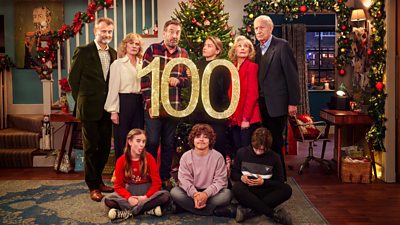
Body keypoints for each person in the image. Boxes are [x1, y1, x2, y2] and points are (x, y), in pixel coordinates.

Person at [68, 17, 117, 202]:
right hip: (89, 108)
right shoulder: (83, 51)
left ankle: (100, 181)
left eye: (109, 32)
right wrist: (81, 100)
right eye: (103, 31)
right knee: (90, 148)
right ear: (96, 31)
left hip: (107, 108)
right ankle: (93, 186)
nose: (106, 35)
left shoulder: (113, 53)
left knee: (104, 147)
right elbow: (74, 80)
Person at [140, 19, 189, 187]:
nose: (174, 35)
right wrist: (149, 102)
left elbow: (189, 78)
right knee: (152, 141)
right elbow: (144, 78)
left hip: (173, 106)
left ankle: (165, 177)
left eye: (177, 33)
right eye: (171, 31)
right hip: (154, 105)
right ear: (164, 33)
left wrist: (179, 80)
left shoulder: (183, 54)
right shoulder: (153, 50)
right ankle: (151, 176)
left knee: (169, 143)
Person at [253, 15, 301, 180]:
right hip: (260, 104)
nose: (258, 31)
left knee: (275, 142)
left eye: (262, 27)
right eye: (256, 28)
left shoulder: (282, 46)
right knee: (263, 141)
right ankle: (267, 175)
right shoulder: (256, 49)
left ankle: (280, 178)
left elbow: (292, 76)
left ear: (270, 28)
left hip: (278, 104)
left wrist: (293, 102)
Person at [104, 129, 171, 221]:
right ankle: (146, 210)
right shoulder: (121, 160)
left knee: (165, 196)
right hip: (129, 191)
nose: (141, 145)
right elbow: (118, 185)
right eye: (138, 141)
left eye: (143, 142)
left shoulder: (149, 158)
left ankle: (127, 213)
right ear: (130, 141)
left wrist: (145, 197)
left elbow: (157, 183)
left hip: (146, 191)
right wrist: (129, 198)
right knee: (108, 200)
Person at [231, 127, 293, 224]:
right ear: (252, 143)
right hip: (248, 190)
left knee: (287, 189)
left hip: (265, 190)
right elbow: (233, 174)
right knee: (236, 188)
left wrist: (264, 182)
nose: (259, 152)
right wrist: (241, 178)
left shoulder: (275, 157)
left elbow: (280, 182)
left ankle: (249, 211)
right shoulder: (241, 153)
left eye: (262, 150)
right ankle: (272, 214)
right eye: (256, 149)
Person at [170, 124, 233, 216]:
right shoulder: (186, 156)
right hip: (192, 193)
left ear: (210, 140)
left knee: (227, 194)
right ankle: (211, 211)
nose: (201, 139)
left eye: (205, 137)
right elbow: (184, 180)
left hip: (212, 194)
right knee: (175, 192)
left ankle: (187, 208)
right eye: (198, 136)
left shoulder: (218, 157)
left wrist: (206, 194)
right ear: (193, 139)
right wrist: (195, 194)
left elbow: (220, 181)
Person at [104, 33, 144, 161]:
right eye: (131, 43)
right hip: (123, 103)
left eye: (137, 44)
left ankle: (135, 171)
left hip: (139, 103)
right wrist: (113, 111)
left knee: (137, 138)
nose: (134, 46)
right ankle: (121, 173)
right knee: (122, 139)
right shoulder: (118, 64)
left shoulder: (143, 64)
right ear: (125, 45)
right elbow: (113, 89)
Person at [191, 36, 231, 157]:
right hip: (198, 112)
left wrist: (224, 110)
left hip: (216, 113)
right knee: (198, 146)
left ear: (217, 50)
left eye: (209, 46)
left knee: (218, 145)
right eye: (204, 45)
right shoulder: (197, 65)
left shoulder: (222, 67)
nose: (205, 48)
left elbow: (225, 90)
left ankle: (219, 174)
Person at [227, 35, 261, 155]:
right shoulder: (231, 68)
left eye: (246, 46)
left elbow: (252, 94)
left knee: (246, 150)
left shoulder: (252, 67)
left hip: (248, 116)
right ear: (234, 50)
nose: (242, 48)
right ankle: (239, 173)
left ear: (250, 50)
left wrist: (246, 119)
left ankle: (247, 173)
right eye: (239, 46)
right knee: (237, 149)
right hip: (234, 116)